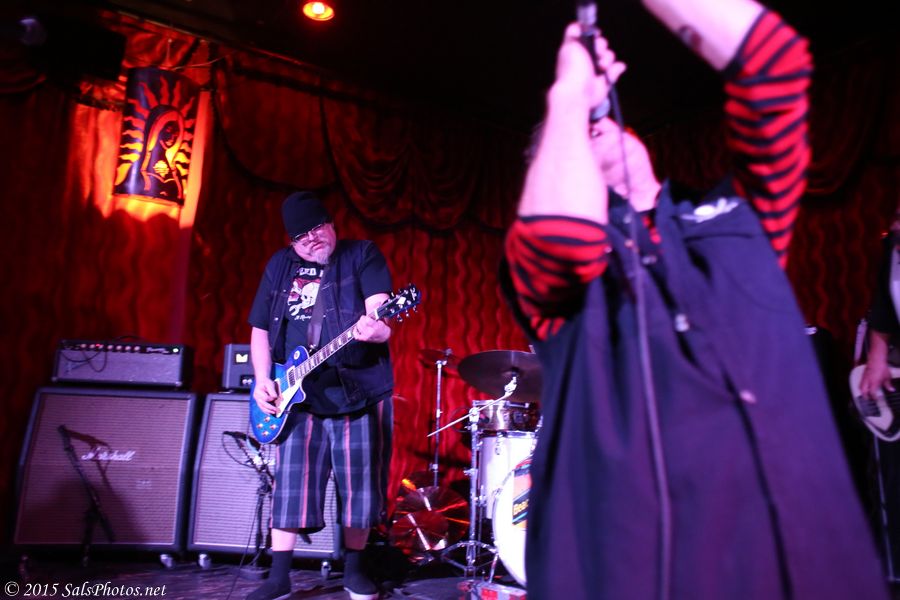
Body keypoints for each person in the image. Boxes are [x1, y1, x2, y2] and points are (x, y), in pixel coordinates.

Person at [501, 0, 890, 598]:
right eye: (576, 136)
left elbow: (774, 65)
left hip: (781, 558)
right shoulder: (560, 276)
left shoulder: (736, 219)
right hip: (625, 563)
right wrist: (570, 94)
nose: (596, 128)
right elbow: (556, 234)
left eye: (599, 122)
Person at [246, 190, 394, 600]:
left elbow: (380, 313)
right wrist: (262, 379)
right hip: (295, 395)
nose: (311, 239)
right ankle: (279, 577)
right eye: (301, 235)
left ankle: (355, 571)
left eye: (316, 227)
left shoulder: (361, 255)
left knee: (360, 486)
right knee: (290, 485)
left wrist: (377, 328)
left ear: (331, 224)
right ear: (291, 241)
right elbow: (260, 329)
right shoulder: (280, 265)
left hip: (356, 391)